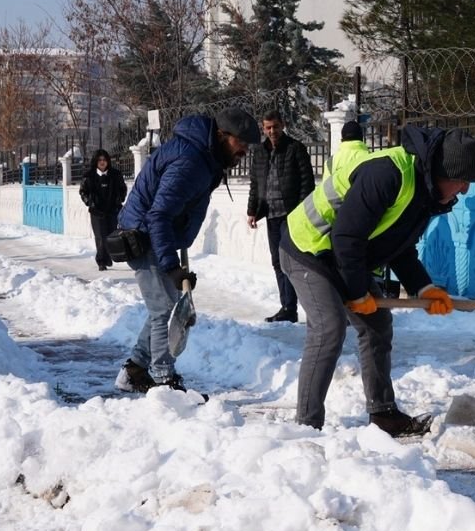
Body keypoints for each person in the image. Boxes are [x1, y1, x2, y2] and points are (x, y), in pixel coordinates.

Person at [279, 125, 475, 437]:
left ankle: (383, 413)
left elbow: (398, 248)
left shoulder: (424, 192)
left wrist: (424, 288)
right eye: (461, 181)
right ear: (441, 172)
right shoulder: (388, 174)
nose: (465, 190)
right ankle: (307, 425)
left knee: (377, 325)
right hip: (308, 246)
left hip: (341, 253)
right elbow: (346, 236)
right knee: (329, 327)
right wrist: (358, 291)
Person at [113, 108, 259, 393]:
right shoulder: (191, 161)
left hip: (158, 236)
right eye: (240, 142)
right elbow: (159, 215)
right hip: (145, 236)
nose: (244, 150)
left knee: (164, 306)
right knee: (163, 309)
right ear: (222, 135)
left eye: (247, 145)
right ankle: (163, 380)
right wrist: (171, 267)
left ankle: (134, 371)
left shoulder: (204, 157)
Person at [246, 111, 316, 323]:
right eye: (268, 127)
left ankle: (301, 307)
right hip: (271, 215)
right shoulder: (259, 151)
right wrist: (252, 211)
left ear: (283, 125)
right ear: (263, 128)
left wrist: (301, 211)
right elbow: (255, 184)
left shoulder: (295, 148)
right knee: (277, 262)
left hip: (291, 215)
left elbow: (307, 182)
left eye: (275, 126)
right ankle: (287, 307)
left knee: (291, 262)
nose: (272, 131)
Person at [78, 149, 128, 271]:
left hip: (113, 210)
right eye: (100, 160)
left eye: (104, 160)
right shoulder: (88, 176)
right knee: (100, 236)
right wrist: (90, 202)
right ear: (96, 161)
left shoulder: (116, 174)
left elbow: (123, 189)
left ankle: (108, 257)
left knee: (111, 235)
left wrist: (120, 199)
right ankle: (101, 261)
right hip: (97, 212)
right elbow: (83, 192)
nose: (102, 162)